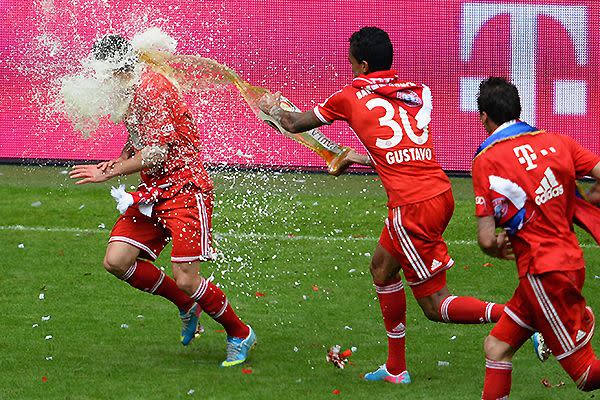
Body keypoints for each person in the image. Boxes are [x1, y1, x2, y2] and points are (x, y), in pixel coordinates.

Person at [259, 26, 505, 384]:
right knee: (382, 269)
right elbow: (397, 152)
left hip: (412, 205)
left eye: (352, 64)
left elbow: (296, 123)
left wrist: (273, 107)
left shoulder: (349, 96)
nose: (351, 71)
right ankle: (396, 369)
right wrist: (354, 157)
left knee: (436, 306)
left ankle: (522, 315)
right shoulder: (417, 92)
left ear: (362, 65)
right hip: (437, 191)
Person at [69, 34, 256, 367]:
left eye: (101, 74)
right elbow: (143, 137)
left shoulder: (151, 89)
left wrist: (110, 173)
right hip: (153, 191)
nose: (98, 81)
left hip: (185, 189)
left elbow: (156, 152)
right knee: (116, 260)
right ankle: (186, 305)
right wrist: (118, 158)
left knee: (186, 276)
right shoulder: (131, 88)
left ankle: (239, 332)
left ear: (115, 70)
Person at [472, 77, 600, 398]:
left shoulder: (486, 160)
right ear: (519, 109)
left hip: (544, 274)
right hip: (564, 262)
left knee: (585, 375)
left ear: (484, 116)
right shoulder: (557, 141)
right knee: (497, 347)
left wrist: (497, 244)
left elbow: (487, 239)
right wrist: (589, 198)